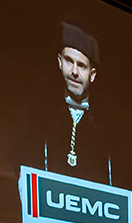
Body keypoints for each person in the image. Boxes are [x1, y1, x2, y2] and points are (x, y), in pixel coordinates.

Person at [20, 22, 122, 186]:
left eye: (81, 66)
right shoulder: (39, 114)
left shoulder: (105, 125)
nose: (74, 72)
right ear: (60, 62)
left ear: (92, 74)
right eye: (69, 61)